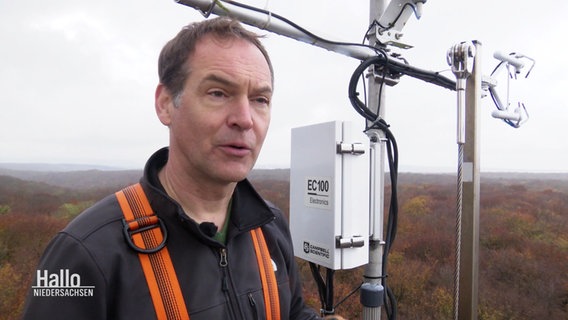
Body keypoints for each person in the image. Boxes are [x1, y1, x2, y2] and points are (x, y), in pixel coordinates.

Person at [23, 17, 345, 319]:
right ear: (165, 104)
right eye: (218, 93)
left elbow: (291, 312)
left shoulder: (270, 226)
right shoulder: (85, 252)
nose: (245, 119)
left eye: (260, 99)